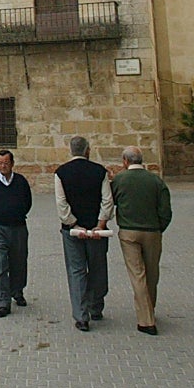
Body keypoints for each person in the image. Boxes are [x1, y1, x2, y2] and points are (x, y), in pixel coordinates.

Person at [111, 145, 172, 336]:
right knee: (152, 273)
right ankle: (149, 309)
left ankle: (146, 320)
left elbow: (111, 201)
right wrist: (159, 227)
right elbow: (165, 210)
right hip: (152, 231)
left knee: (137, 274)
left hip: (129, 231)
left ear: (125, 161)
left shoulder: (120, 179)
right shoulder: (155, 180)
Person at [55, 135, 113, 332]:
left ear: (71, 150)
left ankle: (81, 316)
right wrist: (100, 224)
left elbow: (61, 204)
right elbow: (107, 200)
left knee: (76, 270)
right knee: (97, 267)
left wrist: (74, 223)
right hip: (96, 229)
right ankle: (95, 307)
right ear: (88, 150)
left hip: (73, 231)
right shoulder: (99, 171)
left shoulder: (61, 173)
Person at [0, 149, 32, 317]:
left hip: (18, 227)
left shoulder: (21, 182)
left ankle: (17, 290)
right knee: (1, 264)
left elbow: (28, 202)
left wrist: (17, 214)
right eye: (0, 163)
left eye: (6, 163)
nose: (3, 166)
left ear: (12, 164)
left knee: (19, 261)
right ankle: (3, 301)